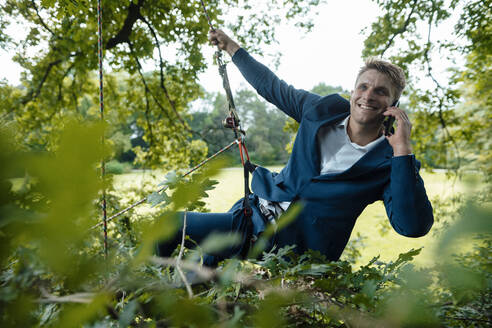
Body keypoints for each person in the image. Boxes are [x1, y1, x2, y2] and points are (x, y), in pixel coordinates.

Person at [156, 29, 434, 266]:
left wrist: (403, 150)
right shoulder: (321, 109)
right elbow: (271, 86)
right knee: (175, 241)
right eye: (363, 87)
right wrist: (230, 46)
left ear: (393, 107)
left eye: (381, 92)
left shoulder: (392, 162)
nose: (368, 95)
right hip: (251, 218)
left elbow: (412, 227)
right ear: (352, 92)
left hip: (293, 252)